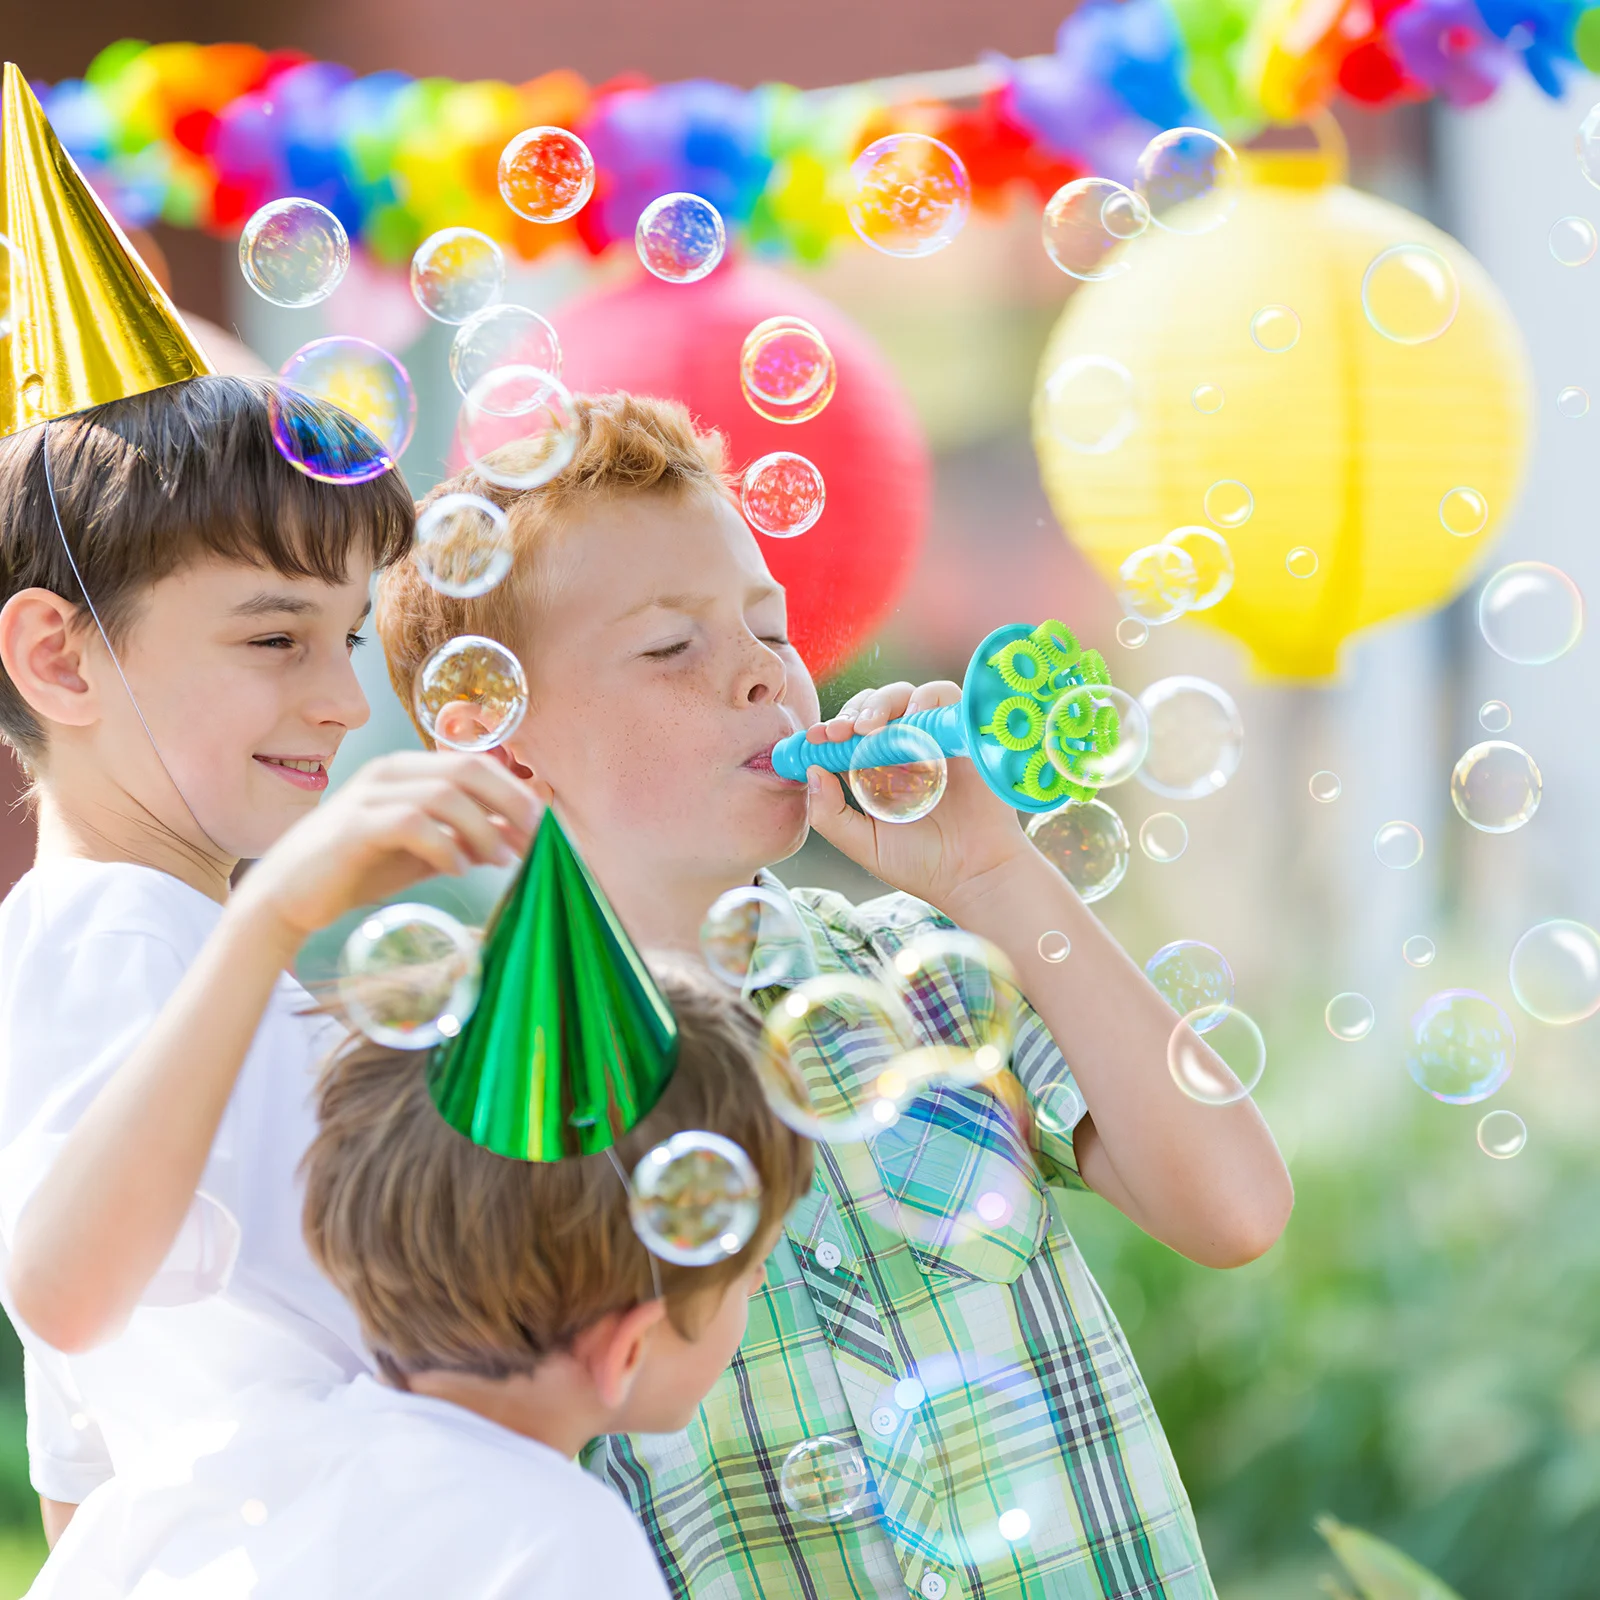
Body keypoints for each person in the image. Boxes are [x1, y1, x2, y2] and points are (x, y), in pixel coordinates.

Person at [375, 391, 1296, 1600]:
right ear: (502, 741)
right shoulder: (495, 1102)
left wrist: (991, 872)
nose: (762, 672)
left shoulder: (916, 965)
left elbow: (1231, 1210)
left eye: (769, 626)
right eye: (672, 646)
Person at [0, 68, 539, 1544]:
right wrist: (282, 917)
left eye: (349, 636)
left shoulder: (144, 935)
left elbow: (79, 1469)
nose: (342, 701)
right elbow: (59, 1283)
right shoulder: (121, 934)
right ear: (60, 656)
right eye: (271, 637)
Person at [25, 963, 816, 1598]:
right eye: (747, 1273)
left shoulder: (227, 1449)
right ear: (627, 1346)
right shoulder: (568, 1540)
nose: (752, 1292)